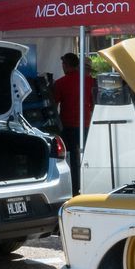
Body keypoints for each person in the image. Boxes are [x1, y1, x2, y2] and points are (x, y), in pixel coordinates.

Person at [51, 52, 93, 193]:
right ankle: (88, 186)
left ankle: (74, 189)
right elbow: (94, 104)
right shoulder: (89, 81)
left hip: (68, 126)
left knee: (69, 161)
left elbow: (53, 107)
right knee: (87, 158)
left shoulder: (60, 83)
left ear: (66, 65)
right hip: (86, 125)